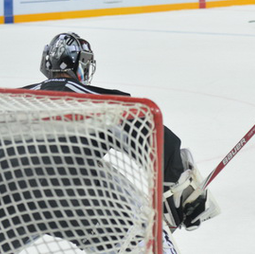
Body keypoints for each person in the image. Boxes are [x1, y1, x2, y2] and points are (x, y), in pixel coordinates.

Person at [1, 32, 219, 253]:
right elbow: (156, 139)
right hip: (78, 203)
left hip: (10, 204)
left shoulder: (10, 101)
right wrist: (184, 194)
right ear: (82, 65)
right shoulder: (102, 102)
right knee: (154, 240)